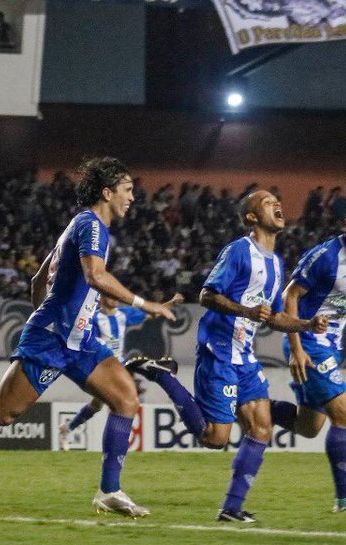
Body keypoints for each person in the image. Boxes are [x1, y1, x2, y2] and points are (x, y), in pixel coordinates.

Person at [0, 157, 179, 517]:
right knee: (2, 413)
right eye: (128, 190)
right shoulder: (92, 226)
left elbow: (38, 280)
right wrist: (143, 303)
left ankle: (109, 490)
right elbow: (95, 277)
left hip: (79, 338)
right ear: (107, 192)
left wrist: (50, 312)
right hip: (54, 339)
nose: (133, 197)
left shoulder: (81, 226)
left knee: (126, 399)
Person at [129, 190, 327, 524]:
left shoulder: (277, 264)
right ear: (251, 217)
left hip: (244, 356)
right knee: (215, 438)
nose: (277, 205)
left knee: (261, 428)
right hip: (218, 351)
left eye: (278, 201)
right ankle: (163, 374)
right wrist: (245, 310)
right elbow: (207, 294)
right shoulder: (239, 251)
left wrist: (307, 324)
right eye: (267, 203)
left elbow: (274, 317)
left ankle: (231, 509)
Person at [267, 199, 346, 513]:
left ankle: (251, 406)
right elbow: (289, 296)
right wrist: (295, 349)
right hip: (307, 340)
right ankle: (345, 500)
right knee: (343, 413)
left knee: (308, 427)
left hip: (331, 345)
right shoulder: (325, 257)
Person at [57, 291, 184, 450]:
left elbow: (152, 313)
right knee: (112, 403)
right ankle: (114, 444)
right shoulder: (94, 318)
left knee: (101, 404)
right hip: (102, 367)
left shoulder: (124, 314)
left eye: (117, 296)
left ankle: (69, 429)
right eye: (111, 296)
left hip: (119, 367)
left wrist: (171, 302)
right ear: (102, 299)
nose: (116, 298)